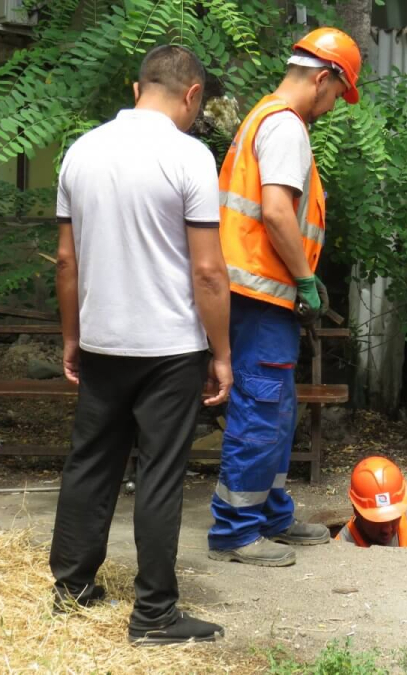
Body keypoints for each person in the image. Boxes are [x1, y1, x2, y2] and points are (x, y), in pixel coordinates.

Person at [50, 45, 232, 645]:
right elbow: (208, 273)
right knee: (158, 475)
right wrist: (222, 353)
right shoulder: (191, 157)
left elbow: (67, 261)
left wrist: (73, 336)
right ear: (192, 95)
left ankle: (72, 589)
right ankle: (154, 614)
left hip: (103, 339)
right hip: (169, 348)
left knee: (91, 463)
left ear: (137, 89)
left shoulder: (81, 151)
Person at [207, 28, 362, 567]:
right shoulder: (286, 127)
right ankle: (236, 529)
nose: (334, 107)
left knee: (277, 409)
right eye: (338, 96)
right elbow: (275, 212)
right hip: (260, 295)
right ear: (323, 79)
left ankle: (269, 514)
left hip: (253, 294)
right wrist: (305, 280)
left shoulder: (262, 118)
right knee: (261, 407)